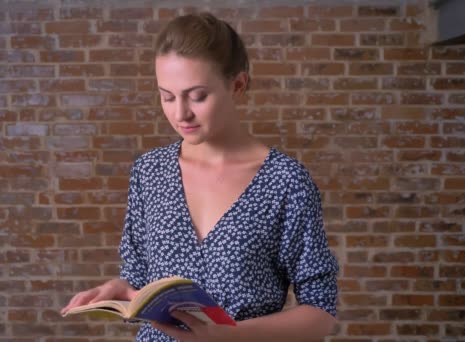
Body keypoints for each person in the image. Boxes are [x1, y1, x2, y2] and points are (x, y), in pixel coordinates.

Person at [61, 12, 339, 341]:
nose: (181, 114)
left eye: (197, 96)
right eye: (167, 96)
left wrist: (229, 336)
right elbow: (138, 279)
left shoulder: (285, 181)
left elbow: (321, 314)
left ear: (237, 85)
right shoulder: (150, 172)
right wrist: (120, 290)